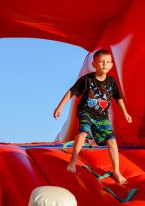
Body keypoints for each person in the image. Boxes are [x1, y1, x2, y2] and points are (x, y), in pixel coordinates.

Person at [53, 49, 132, 184]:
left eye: (107, 62)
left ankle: (116, 171)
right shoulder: (87, 80)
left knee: (112, 141)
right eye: (101, 62)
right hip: (86, 112)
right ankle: (73, 160)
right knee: (83, 132)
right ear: (94, 64)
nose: (104, 64)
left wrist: (125, 113)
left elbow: (118, 98)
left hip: (102, 117)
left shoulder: (111, 82)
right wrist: (59, 107)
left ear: (111, 65)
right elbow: (71, 92)